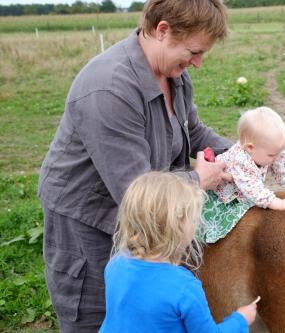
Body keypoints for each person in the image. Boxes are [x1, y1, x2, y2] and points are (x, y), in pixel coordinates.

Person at [38, 0, 233, 331]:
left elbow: (193, 130)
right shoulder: (109, 87)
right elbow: (133, 188)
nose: (198, 63)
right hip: (90, 226)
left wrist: (241, 154)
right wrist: (199, 179)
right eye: (194, 51)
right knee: (99, 317)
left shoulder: (175, 76)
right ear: (163, 31)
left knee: (145, 313)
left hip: (140, 217)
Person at [99, 172, 257, 332]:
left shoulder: (116, 264)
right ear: (177, 228)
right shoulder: (184, 287)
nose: (196, 224)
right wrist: (240, 320)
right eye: (193, 219)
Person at [200, 106, 285, 243]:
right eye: (272, 155)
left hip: (244, 188)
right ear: (250, 148)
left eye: (279, 152)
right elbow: (253, 189)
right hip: (226, 196)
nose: (276, 158)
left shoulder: (271, 151)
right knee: (208, 227)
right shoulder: (240, 161)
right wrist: (277, 203)